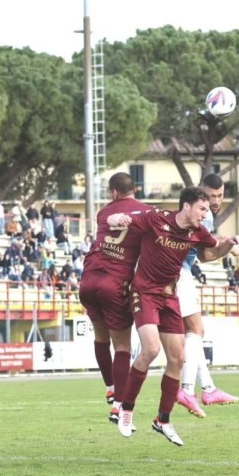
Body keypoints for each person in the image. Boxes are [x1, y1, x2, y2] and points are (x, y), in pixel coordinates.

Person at [108, 187, 238, 446]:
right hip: (144, 293)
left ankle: (163, 420)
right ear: (187, 206)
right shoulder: (156, 218)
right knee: (151, 349)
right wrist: (116, 219)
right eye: (202, 208)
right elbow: (115, 222)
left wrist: (229, 244)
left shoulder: (198, 232)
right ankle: (126, 409)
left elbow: (211, 252)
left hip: (169, 297)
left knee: (178, 358)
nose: (206, 213)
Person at [78, 173, 151, 423]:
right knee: (122, 346)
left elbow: (109, 222)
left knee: (100, 337)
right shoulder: (146, 212)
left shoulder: (103, 213)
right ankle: (118, 405)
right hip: (114, 281)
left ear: (113, 193)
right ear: (134, 190)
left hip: (88, 279)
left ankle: (110, 388)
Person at [175, 173, 239, 418]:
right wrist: (227, 246)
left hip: (176, 271)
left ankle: (209, 388)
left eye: (220, 195)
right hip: (178, 272)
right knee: (196, 331)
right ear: (201, 193)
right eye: (211, 196)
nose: (215, 201)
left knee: (191, 335)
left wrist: (224, 243)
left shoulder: (198, 213)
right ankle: (187, 390)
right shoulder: (205, 216)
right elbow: (205, 255)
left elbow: (204, 249)